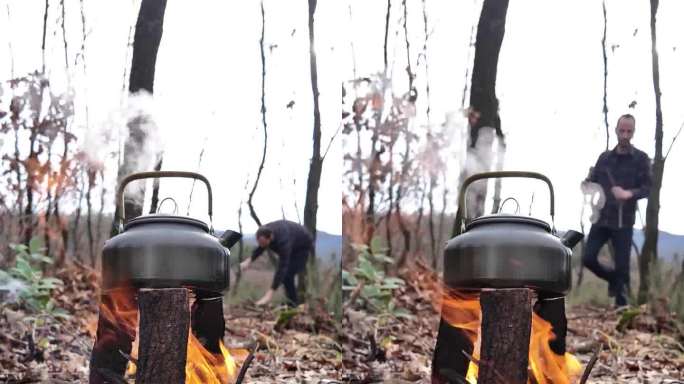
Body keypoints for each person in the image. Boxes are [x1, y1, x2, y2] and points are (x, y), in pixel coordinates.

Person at [581, 114, 651, 307]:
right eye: (622, 131)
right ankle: (612, 279)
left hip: (624, 221)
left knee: (623, 269)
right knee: (588, 258)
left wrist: (628, 193)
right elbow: (593, 181)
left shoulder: (641, 159)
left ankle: (622, 311)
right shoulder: (604, 158)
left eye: (629, 131)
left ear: (634, 132)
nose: (625, 135)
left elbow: (648, 188)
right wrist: (586, 184)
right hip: (601, 218)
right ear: (616, 130)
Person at [240, 219, 314, 307]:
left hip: (302, 247)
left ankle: (293, 305)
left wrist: (269, 294)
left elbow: (282, 266)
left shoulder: (283, 241)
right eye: (260, 242)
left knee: (287, 275)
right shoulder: (265, 230)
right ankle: (290, 303)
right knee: (286, 277)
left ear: (270, 237)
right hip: (292, 242)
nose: (262, 245)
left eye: (263, 242)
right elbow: (261, 247)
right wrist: (249, 260)